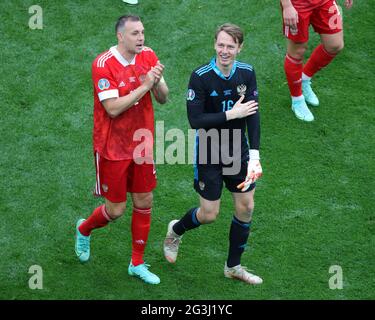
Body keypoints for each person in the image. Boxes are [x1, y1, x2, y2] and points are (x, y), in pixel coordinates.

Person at [163, 23, 263, 285]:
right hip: (209, 151)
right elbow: (195, 120)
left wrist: (255, 155)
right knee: (209, 214)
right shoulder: (201, 76)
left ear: (240, 48)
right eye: (221, 45)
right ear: (214, 45)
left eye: (231, 46)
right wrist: (232, 114)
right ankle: (176, 230)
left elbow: (253, 116)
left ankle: (233, 266)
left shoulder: (247, 73)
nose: (225, 51)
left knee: (246, 206)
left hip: (238, 151)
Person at [75, 15, 169, 285]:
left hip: (142, 143)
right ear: (120, 36)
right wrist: (146, 85)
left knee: (144, 201)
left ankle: (136, 263)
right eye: (134, 33)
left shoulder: (148, 55)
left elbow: (163, 98)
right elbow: (113, 108)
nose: (141, 38)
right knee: (115, 211)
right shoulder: (102, 64)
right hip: (112, 147)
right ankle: (84, 229)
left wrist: (158, 82)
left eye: (142, 32)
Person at [281, 0, 354, 121]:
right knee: (297, 52)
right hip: (298, 4)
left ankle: (304, 78)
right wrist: (287, 5)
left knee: (335, 45)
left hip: (325, 2)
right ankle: (297, 100)